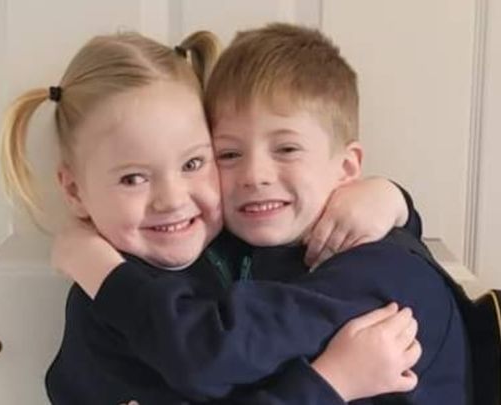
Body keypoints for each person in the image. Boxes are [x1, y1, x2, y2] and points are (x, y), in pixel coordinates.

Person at [56, 23, 472, 404]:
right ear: (74, 190)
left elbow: (209, 354)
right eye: (228, 154)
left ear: (347, 167)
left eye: (286, 149)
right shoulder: (230, 252)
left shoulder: (374, 265)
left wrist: (99, 270)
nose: (255, 176)